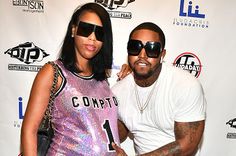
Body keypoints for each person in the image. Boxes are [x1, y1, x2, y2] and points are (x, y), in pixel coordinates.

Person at [20, 3, 129, 155]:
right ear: (73, 30)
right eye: (86, 29)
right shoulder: (53, 72)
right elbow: (29, 129)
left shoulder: (103, 80)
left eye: (99, 33)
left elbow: (104, 130)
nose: (92, 38)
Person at [112, 22, 206, 155]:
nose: (142, 55)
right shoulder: (118, 91)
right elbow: (117, 135)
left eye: (152, 48)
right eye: (135, 47)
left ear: (162, 54)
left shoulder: (185, 85)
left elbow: (188, 144)